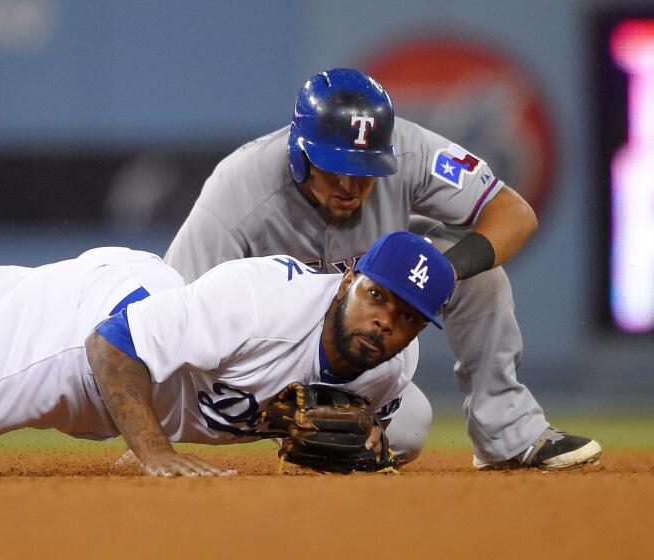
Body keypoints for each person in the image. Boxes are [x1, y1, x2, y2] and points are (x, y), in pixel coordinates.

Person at [164, 68, 601, 471]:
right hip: (272, 356)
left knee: (412, 423)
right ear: (299, 154)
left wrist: (441, 273)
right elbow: (171, 311)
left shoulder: (409, 150)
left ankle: (508, 435)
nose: (350, 186)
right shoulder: (237, 190)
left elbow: (514, 214)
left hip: (357, 339)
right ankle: (290, 428)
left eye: (365, 170)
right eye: (335, 168)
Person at [0, 228, 453, 476]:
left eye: (407, 316)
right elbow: (111, 344)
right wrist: (153, 453)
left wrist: (375, 445)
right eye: (378, 296)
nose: (385, 321)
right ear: (349, 278)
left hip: (135, 291)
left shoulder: (394, 369)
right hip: (84, 341)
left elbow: (403, 422)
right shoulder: (264, 303)